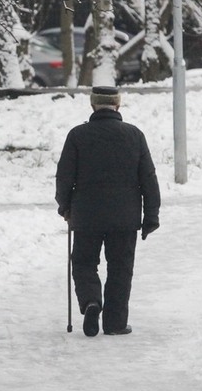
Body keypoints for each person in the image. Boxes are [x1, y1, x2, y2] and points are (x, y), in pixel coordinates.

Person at [55, 85, 160, 336]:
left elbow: (64, 177)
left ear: (92, 106)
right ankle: (115, 323)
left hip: (86, 215)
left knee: (83, 262)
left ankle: (91, 301)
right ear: (118, 105)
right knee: (121, 267)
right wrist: (151, 216)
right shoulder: (134, 135)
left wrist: (65, 206)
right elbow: (148, 178)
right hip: (125, 217)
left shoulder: (77, 135)